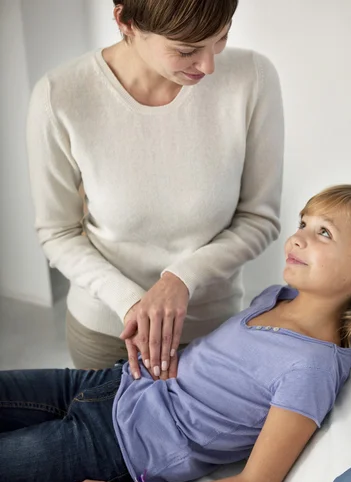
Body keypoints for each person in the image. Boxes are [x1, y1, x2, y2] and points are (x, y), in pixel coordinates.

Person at [1, 185, 351, 482]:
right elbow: (229, 372)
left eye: (323, 233)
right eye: (303, 223)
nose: (297, 239)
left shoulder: (311, 370)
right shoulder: (278, 297)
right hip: (112, 385)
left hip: (118, 448)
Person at [26, 0, 284, 379]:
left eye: (221, 37)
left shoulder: (253, 77)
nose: (209, 64)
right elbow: (57, 232)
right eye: (186, 49)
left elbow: (259, 218)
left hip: (212, 333)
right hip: (110, 332)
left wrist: (181, 279)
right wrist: (130, 302)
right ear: (125, 21)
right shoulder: (60, 95)